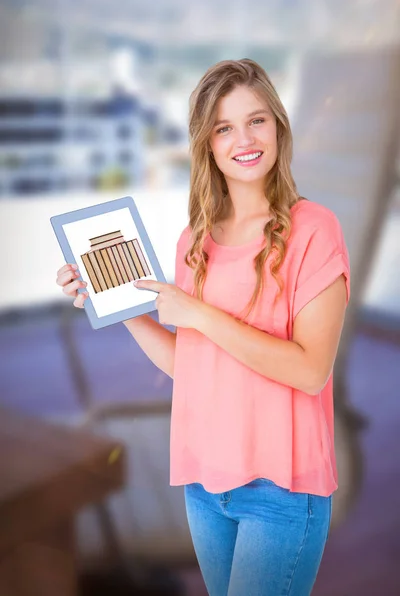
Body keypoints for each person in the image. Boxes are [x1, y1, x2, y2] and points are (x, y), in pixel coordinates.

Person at [56, 59, 350, 596]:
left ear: (279, 128)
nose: (244, 138)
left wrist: (199, 315)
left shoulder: (315, 229)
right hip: (205, 483)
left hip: (281, 489)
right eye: (224, 127)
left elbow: (310, 370)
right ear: (208, 144)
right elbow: (187, 364)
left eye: (257, 120)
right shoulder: (195, 240)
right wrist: (117, 303)